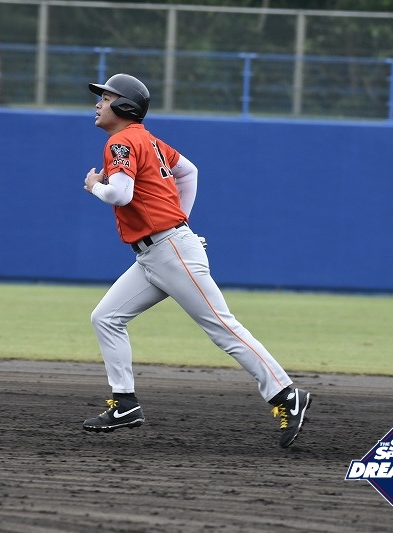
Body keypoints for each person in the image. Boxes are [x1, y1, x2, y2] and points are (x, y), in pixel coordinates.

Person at [81, 73, 312, 448]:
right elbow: (188, 171)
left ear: (124, 105)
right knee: (106, 317)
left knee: (222, 327)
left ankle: (286, 394)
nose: (98, 103)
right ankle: (125, 403)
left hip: (169, 250)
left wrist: (95, 186)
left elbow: (120, 195)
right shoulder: (148, 140)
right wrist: (180, 223)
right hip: (156, 254)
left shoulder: (121, 141)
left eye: (105, 98)